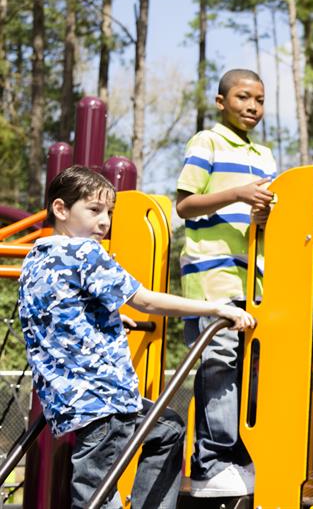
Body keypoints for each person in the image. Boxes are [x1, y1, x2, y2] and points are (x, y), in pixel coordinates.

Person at [19, 166, 256, 508]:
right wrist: (215, 309)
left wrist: (109, 318)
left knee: (167, 429)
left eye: (109, 213)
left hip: (68, 397)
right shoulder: (85, 252)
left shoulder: (37, 258)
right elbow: (144, 299)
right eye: (94, 210)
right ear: (61, 209)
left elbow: (54, 311)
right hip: (103, 396)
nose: (104, 222)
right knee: (96, 492)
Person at [175, 68, 277, 497]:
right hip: (211, 272)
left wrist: (262, 214)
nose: (251, 107)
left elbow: (263, 217)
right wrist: (237, 194)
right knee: (219, 363)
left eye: (258, 99)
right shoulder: (207, 142)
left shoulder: (266, 156)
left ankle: (237, 454)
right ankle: (209, 461)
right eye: (242, 97)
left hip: (252, 275)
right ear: (221, 102)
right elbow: (185, 205)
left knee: (249, 369)